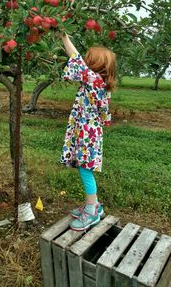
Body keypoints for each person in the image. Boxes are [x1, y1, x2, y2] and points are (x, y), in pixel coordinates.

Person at [60, 32, 116, 231]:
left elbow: (75, 58)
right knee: (85, 168)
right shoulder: (102, 85)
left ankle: (91, 210)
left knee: (85, 171)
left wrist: (64, 37)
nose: (85, 61)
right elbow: (104, 114)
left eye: (89, 59)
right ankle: (95, 206)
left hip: (87, 134)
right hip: (90, 132)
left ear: (96, 65)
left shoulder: (93, 80)